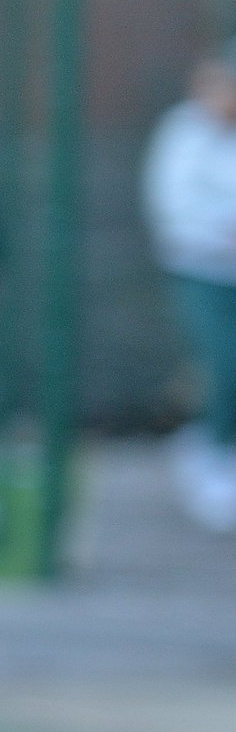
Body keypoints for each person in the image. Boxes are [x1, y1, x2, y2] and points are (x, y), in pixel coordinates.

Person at [143, 43, 236, 533]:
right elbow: (172, 207)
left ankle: (208, 441)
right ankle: (215, 458)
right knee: (222, 360)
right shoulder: (183, 132)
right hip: (199, 269)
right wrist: (221, 233)